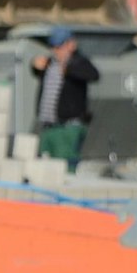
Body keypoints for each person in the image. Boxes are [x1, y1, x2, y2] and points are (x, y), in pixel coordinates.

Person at [32, 25, 99, 170]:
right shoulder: (51, 63)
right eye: (53, 47)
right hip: (49, 125)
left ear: (71, 44)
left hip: (67, 127)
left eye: (60, 46)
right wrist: (35, 65)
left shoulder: (78, 62)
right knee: (45, 167)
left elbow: (93, 75)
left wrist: (69, 70)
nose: (56, 50)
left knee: (64, 167)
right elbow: (37, 71)